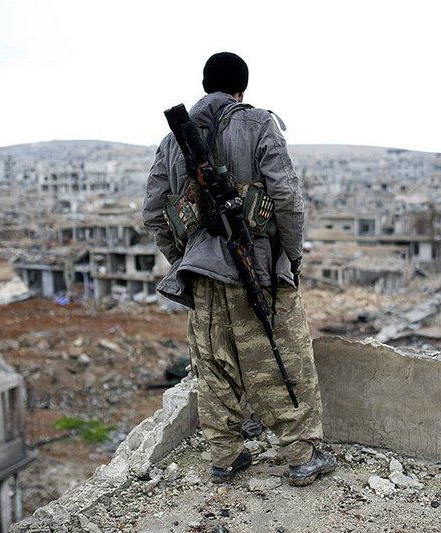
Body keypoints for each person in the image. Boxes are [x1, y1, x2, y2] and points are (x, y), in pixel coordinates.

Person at [142, 52, 335, 486]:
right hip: (257, 270)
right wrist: (289, 257)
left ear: (205, 85)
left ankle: (225, 457)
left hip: (203, 276)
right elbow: (286, 198)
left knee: (214, 365)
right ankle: (301, 455)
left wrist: (186, 259)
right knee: (280, 357)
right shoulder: (260, 123)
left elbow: (154, 214)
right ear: (241, 89)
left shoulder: (173, 139)